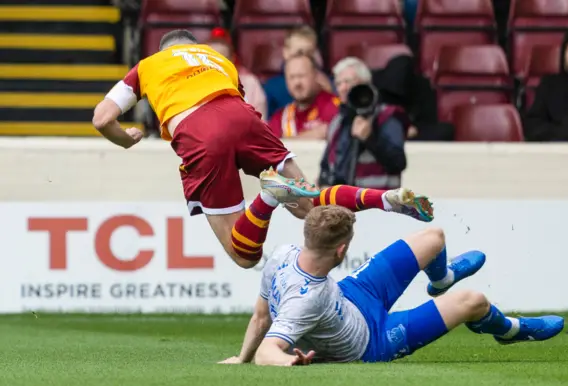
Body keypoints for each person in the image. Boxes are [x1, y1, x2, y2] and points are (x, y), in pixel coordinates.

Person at [91, 29, 435, 270]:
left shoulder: (151, 63)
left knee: (244, 255)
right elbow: (233, 106)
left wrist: (126, 138)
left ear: (165, 50)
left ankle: (268, 198)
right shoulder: (218, 60)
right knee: (308, 203)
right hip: (243, 117)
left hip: (200, 133)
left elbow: (101, 118)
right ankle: (385, 199)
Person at [219, 206, 565, 365]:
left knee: (434, 236)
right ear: (342, 249)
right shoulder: (307, 300)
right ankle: (510, 330)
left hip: (355, 292)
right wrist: (287, 363)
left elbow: (261, 316)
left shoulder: (282, 254)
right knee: (473, 301)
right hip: (374, 340)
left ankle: (441, 279)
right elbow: (269, 349)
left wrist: (239, 358)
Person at [319, 57, 408, 190]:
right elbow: (326, 166)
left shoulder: (387, 116)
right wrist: (324, 185)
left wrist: (370, 139)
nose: (342, 88)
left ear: (365, 84)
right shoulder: (337, 122)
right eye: (338, 83)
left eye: (348, 82)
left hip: (378, 204)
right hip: (341, 203)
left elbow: (398, 162)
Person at [262, 25, 333, 119]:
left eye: (309, 53)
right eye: (298, 53)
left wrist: (330, 92)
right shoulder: (272, 87)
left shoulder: (325, 81)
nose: (302, 58)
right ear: (285, 53)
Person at [268, 53, 340, 139]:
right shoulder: (280, 118)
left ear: (316, 76)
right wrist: (311, 135)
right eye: (292, 77)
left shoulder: (335, 106)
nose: (297, 83)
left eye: (301, 76)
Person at [207, 27, 268, 121]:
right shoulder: (195, 85)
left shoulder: (250, 83)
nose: (217, 65)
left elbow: (261, 123)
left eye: (223, 59)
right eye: (212, 60)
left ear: (233, 59)